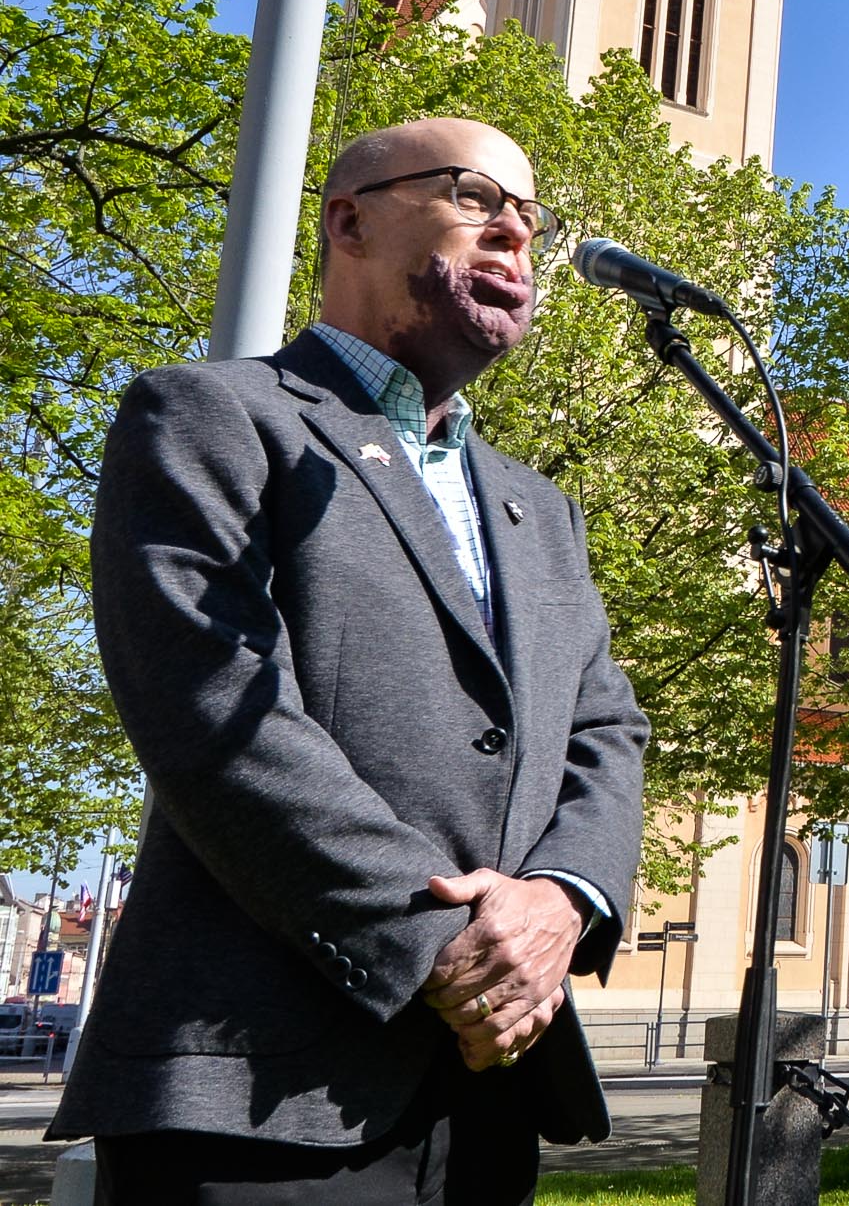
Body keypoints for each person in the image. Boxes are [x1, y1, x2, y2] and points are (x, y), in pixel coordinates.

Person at [50, 118, 649, 1203]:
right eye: (475, 194)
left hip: (489, 1094)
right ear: (350, 221)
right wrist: (448, 946)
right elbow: (215, 711)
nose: (515, 227)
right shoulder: (213, 416)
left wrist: (564, 898)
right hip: (260, 1092)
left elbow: (606, 730)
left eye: (531, 214)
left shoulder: (542, 508)